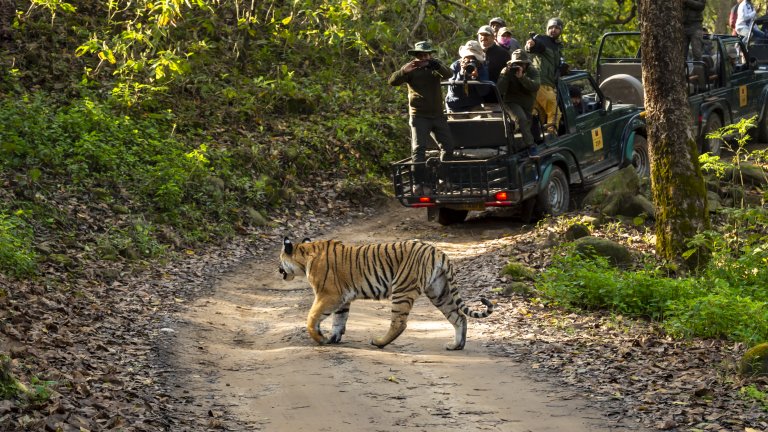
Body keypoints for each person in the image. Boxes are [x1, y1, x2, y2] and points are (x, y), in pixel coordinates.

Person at [388, 41, 454, 193]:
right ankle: (419, 183)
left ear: (431, 55)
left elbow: (449, 74)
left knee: (448, 146)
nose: (424, 58)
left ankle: (443, 179)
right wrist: (403, 71)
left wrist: (436, 66)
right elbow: (392, 81)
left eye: (427, 55)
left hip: (437, 115)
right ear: (416, 56)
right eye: (421, 55)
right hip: (419, 115)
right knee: (419, 150)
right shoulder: (411, 68)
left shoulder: (435, 67)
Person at [525, 17, 564, 135]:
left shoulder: (557, 46)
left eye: (557, 28)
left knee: (540, 114)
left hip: (548, 84)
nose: (553, 30)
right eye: (551, 27)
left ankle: (539, 139)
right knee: (555, 112)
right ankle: (552, 136)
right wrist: (530, 45)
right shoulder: (542, 40)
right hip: (541, 83)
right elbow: (532, 47)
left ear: (561, 30)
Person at [497, 49, 541, 154]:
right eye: (516, 64)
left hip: (527, 103)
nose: (519, 66)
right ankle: (531, 145)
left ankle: (520, 145)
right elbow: (500, 90)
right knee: (521, 119)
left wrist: (522, 78)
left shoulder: (532, 71)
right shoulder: (507, 71)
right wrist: (505, 76)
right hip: (511, 102)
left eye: (522, 64)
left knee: (527, 124)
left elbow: (535, 86)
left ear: (526, 64)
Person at [445, 40, 490, 114]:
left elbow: (484, 92)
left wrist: (476, 78)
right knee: (457, 125)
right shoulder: (455, 66)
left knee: (481, 123)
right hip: (455, 105)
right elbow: (453, 91)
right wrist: (461, 73)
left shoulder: (481, 67)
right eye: (468, 58)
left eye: (474, 58)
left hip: (474, 105)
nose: (470, 61)